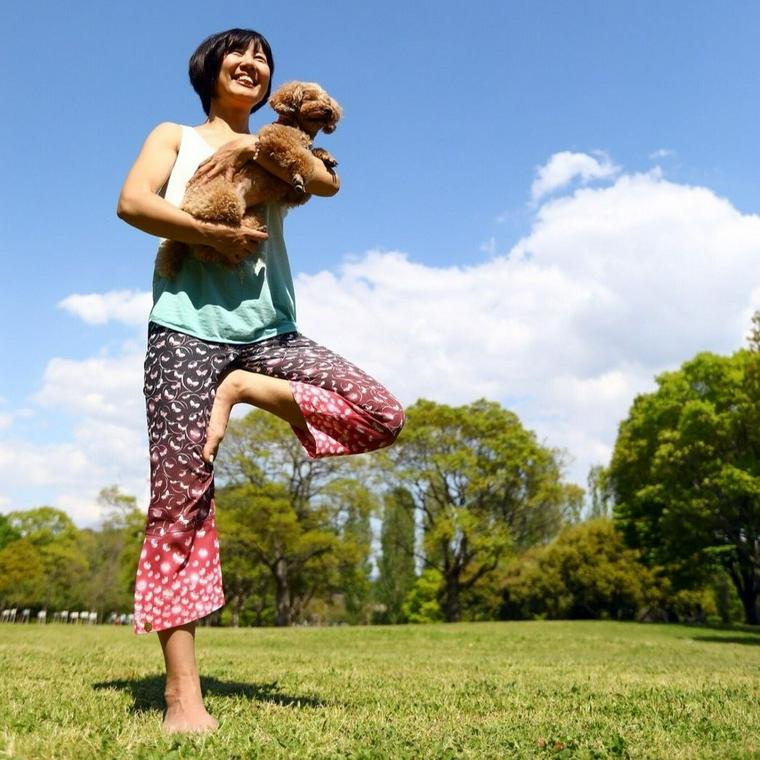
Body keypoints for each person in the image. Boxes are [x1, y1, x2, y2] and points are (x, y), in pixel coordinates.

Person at [117, 28, 405, 733]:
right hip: (184, 332)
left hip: (271, 334)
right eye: (236, 54)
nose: (252, 63)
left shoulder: (278, 140)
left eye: (262, 57)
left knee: (381, 414)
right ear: (209, 71)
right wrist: (208, 232)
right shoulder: (176, 135)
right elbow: (132, 203)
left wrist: (290, 138)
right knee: (179, 499)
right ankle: (183, 695)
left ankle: (241, 390)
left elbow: (327, 183)